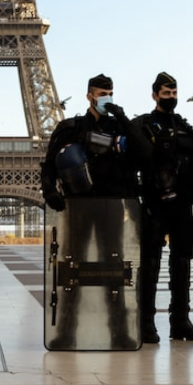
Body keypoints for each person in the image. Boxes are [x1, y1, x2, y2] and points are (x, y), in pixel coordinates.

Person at [41, 73, 152, 349]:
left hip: (112, 205)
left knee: (114, 269)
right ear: (89, 95)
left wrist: (124, 119)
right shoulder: (71, 127)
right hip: (79, 206)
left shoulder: (121, 128)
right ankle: (66, 332)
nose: (106, 98)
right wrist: (50, 191)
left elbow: (145, 154)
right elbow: (49, 164)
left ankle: (119, 333)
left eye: (110, 93)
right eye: (101, 93)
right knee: (72, 268)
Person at [132, 71, 193, 343]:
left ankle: (180, 321)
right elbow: (135, 164)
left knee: (182, 263)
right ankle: (146, 323)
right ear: (155, 95)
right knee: (150, 264)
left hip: (183, 204)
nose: (171, 98)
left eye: (174, 93)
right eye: (166, 94)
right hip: (156, 203)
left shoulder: (185, 126)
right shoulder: (143, 125)